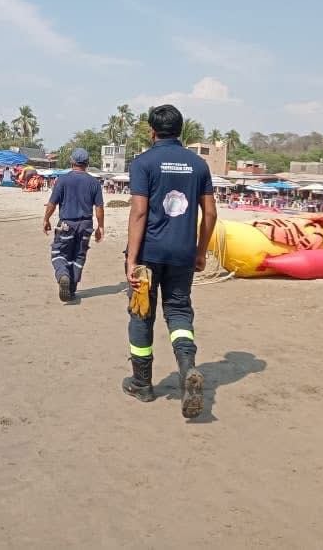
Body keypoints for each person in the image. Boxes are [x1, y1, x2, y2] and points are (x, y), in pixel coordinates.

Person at [123, 104, 217, 419]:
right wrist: (200, 251)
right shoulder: (198, 164)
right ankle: (188, 367)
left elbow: (138, 212)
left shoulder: (143, 163)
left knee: (141, 314)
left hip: (148, 254)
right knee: (178, 312)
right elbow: (211, 214)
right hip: (182, 254)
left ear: (153, 131)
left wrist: (131, 260)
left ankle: (142, 384)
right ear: (181, 131)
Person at [42, 148, 105, 302]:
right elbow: (99, 208)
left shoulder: (63, 180)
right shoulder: (94, 182)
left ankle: (63, 274)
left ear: (72, 162)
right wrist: (100, 227)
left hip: (67, 223)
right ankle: (71, 289)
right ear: (87, 163)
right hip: (86, 224)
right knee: (79, 255)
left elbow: (52, 203)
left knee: (59, 253)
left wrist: (46, 219)